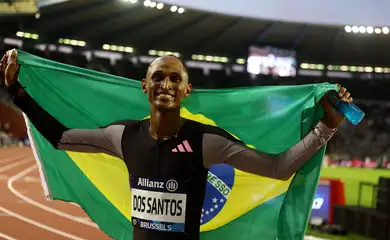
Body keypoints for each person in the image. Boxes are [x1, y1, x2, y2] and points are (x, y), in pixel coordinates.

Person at [1, 49, 352, 240]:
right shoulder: (121, 136)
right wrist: (18, 94)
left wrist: (327, 126)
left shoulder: (206, 142)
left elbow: (277, 168)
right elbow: (61, 139)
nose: (166, 83)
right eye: (158, 76)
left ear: (186, 90)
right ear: (144, 86)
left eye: (174, 78)